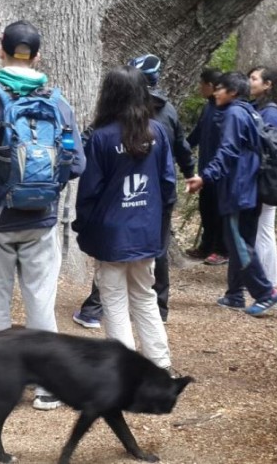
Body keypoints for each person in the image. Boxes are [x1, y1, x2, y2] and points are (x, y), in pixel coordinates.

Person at [0, 20, 86, 410]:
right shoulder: (58, 102)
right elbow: (76, 163)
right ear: (38, 54)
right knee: (41, 302)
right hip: (41, 220)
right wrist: (45, 186)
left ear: (1, 49)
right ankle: (48, 387)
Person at [72, 54, 191, 328]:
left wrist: (85, 229)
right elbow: (168, 184)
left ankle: (121, 365)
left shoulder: (102, 136)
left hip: (112, 230)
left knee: (112, 300)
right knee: (145, 298)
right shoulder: (160, 128)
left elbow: (89, 191)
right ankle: (160, 363)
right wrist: (159, 223)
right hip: (147, 228)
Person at [186, 71, 277, 317]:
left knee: (239, 244)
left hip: (238, 190)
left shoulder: (234, 114)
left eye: (220, 89)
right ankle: (234, 295)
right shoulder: (249, 111)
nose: (215, 92)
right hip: (250, 189)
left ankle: (266, 293)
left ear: (232, 92)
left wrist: (205, 176)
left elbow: (228, 151)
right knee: (240, 242)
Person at [247, 66, 277, 287]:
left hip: (266, 179)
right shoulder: (258, 108)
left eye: (254, 78)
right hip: (261, 177)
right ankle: (263, 281)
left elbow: (271, 149)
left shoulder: (271, 113)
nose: (249, 81)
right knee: (260, 230)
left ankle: (268, 283)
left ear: (268, 85)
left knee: (264, 230)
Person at [185, 67, 227, 265]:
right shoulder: (208, 108)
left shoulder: (226, 110)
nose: (199, 88)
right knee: (207, 209)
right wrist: (182, 148)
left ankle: (221, 249)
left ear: (210, 86)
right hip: (205, 171)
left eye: (202, 84)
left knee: (220, 211)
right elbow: (197, 134)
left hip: (221, 172)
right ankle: (206, 246)